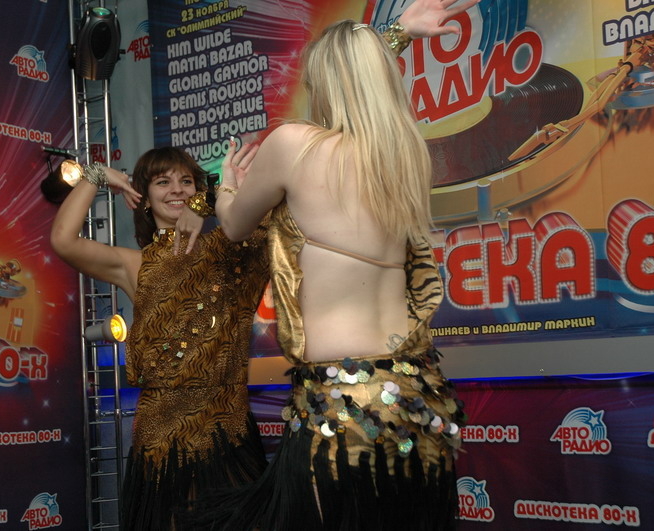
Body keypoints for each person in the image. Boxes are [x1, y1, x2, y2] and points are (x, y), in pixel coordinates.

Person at [199, 0, 479, 529]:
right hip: (418, 396)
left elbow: (234, 225)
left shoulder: (294, 146)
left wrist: (227, 187)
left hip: (339, 402)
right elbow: (366, 91)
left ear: (322, 85)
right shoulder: (402, 158)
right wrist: (398, 34)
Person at [49, 144, 269, 531]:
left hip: (227, 425)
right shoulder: (136, 264)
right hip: (162, 434)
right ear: (145, 198)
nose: (177, 189)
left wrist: (213, 199)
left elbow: (272, 218)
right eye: (162, 182)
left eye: (187, 181)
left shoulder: (232, 251)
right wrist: (96, 175)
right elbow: (63, 240)